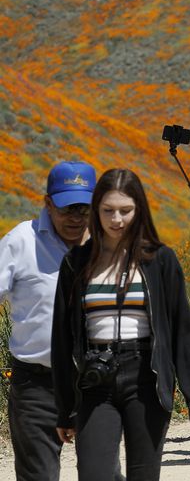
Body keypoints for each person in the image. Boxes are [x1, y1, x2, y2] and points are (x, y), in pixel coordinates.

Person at [52, 169, 190, 479]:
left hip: (146, 377)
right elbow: (62, 339)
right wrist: (64, 407)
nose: (116, 219)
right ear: (96, 210)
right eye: (107, 210)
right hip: (94, 381)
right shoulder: (76, 262)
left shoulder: (160, 260)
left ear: (139, 210)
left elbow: (183, 330)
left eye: (125, 210)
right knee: (94, 474)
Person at [1, 162, 104, 481]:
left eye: (83, 209)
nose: (76, 218)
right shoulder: (21, 241)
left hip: (96, 382)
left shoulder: (108, 243)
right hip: (37, 385)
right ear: (48, 204)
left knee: (101, 473)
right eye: (67, 208)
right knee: (39, 476)